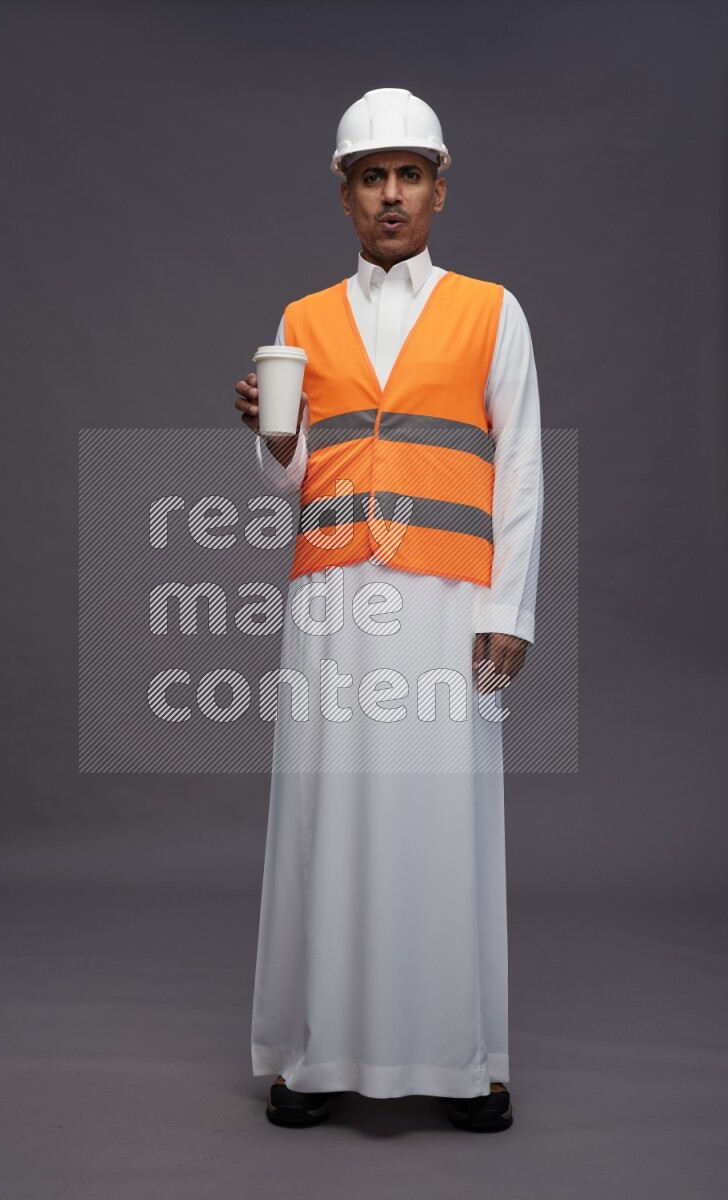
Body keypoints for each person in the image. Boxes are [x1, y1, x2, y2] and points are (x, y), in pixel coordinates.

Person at [234, 88, 543, 1132]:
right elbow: (289, 480)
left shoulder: (492, 310)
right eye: (373, 177)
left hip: (450, 596)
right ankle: (316, 1051)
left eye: (410, 174)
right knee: (327, 812)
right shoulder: (301, 320)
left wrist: (511, 608)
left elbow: (522, 463)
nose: (392, 194)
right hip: (332, 596)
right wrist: (277, 442)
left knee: (445, 816)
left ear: (439, 190)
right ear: (346, 195)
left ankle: (466, 1058)